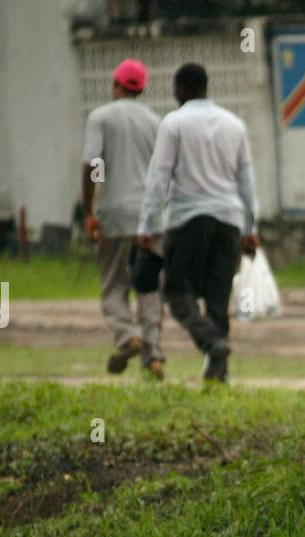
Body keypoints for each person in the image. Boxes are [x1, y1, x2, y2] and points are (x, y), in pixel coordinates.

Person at [136, 63, 259, 385]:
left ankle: (212, 343)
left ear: (180, 89)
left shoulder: (173, 123)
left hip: (188, 217)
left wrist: (148, 226)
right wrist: (250, 229)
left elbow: (159, 176)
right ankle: (219, 375)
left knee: (177, 291)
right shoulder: (235, 124)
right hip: (229, 220)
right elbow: (246, 180)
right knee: (218, 298)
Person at [82, 59, 164, 379]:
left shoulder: (100, 117)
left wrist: (88, 211)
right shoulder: (156, 122)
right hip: (151, 216)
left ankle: (127, 336)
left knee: (113, 283)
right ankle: (153, 355)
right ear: (141, 88)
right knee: (149, 285)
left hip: (113, 213)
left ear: (116, 84)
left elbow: (91, 164)